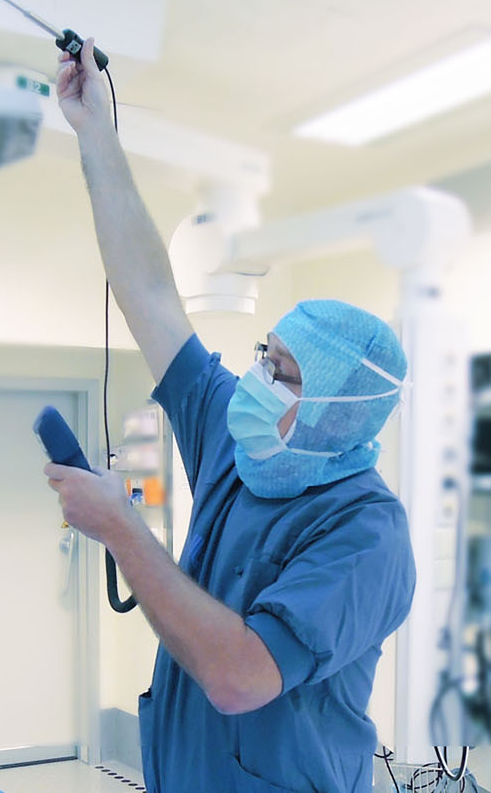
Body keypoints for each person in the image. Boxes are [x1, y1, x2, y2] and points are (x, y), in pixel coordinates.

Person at [44, 38, 417, 793]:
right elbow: (148, 291)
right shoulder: (237, 442)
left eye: (280, 371)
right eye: (263, 351)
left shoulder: (364, 533)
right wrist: (96, 137)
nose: (254, 379)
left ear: (332, 416)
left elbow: (239, 679)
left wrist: (121, 528)